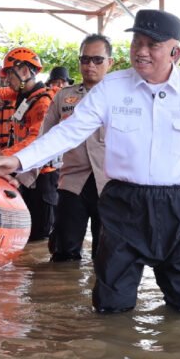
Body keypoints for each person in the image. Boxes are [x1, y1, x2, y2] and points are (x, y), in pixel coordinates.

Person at [0, 9, 180, 314]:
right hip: (124, 203)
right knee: (111, 304)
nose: (141, 51)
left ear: (175, 51)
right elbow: (68, 132)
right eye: (137, 42)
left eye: (152, 45)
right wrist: (17, 160)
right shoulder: (113, 88)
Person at [41, 34, 113, 262]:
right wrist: (21, 176)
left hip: (111, 185)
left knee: (109, 257)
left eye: (98, 60)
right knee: (64, 254)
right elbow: (45, 140)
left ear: (110, 63)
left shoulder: (123, 98)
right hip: (73, 184)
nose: (90, 65)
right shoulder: (64, 96)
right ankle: (64, 297)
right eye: (85, 59)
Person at [0, 47, 57, 242]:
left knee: (39, 237)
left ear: (24, 71)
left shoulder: (43, 103)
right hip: (25, 171)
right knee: (28, 233)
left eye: (9, 74)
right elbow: (2, 92)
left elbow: (35, 140)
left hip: (43, 177)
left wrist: (4, 157)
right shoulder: (22, 96)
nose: (7, 80)